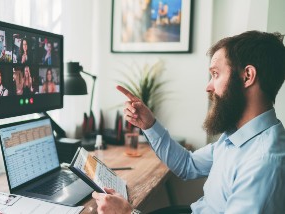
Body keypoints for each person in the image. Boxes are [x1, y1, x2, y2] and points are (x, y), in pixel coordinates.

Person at [92, 31, 285, 213]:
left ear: (247, 76)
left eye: (216, 74)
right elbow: (188, 165)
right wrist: (149, 125)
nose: (208, 86)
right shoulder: (236, 136)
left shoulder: (264, 163)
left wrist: (127, 212)